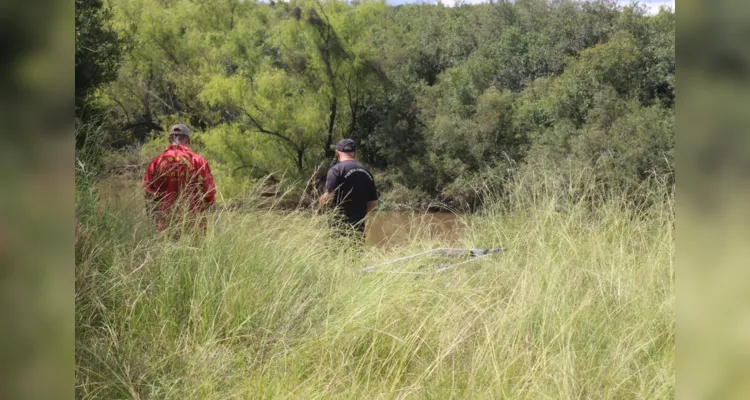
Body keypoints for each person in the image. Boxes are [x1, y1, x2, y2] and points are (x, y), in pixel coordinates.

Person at [143, 124, 216, 234]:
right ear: (188, 140)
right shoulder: (198, 161)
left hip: (165, 222)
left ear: (169, 139)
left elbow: (148, 191)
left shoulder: (157, 161)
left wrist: (153, 216)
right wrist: (210, 205)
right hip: (194, 221)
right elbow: (209, 191)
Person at [319, 138, 378, 238]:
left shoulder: (336, 170)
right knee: (356, 253)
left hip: (337, 229)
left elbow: (327, 199)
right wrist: (358, 216)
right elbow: (373, 203)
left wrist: (321, 207)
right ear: (354, 153)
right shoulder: (366, 172)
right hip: (358, 230)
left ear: (337, 153)